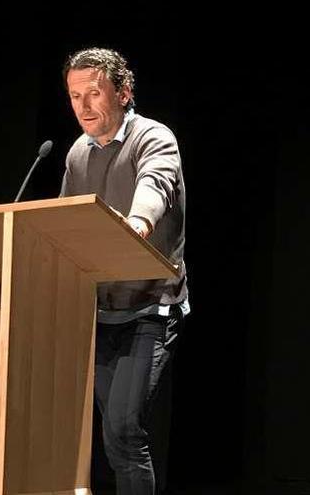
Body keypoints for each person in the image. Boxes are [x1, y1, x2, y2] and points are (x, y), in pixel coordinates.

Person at [60, 47, 188, 495]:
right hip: (100, 314)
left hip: (151, 308)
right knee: (113, 439)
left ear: (124, 91)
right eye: (74, 96)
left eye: (93, 93)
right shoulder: (77, 154)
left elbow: (157, 185)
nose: (83, 106)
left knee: (124, 429)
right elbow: (66, 223)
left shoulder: (154, 137)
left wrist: (136, 224)